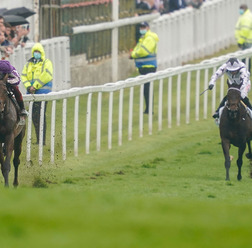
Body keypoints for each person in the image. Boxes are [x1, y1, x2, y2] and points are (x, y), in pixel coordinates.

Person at [21, 43, 53, 145]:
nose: (37, 53)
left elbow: (47, 75)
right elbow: (24, 76)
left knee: (40, 115)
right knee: (34, 116)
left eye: (38, 52)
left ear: (42, 52)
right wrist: (28, 87)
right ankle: (39, 140)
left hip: (43, 93)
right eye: (35, 51)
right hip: (31, 93)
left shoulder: (46, 62)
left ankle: (42, 140)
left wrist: (35, 86)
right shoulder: (28, 64)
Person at [130, 21, 159, 114]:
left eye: (144, 27)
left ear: (148, 28)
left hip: (148, 66)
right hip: (144, 66)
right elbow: (137, 49)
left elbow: (143, 51)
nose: (142, 29)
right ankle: (148, 109)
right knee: (146, 88)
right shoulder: (143, 38)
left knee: (147, 88)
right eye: (141, 27)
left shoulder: (149, 38)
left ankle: (149, 109)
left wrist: (133, 55)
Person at [235, 4, 252, 72]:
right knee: (247, 59)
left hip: (246, 41)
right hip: (247, 41)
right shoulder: (246, 16)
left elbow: (245, 30)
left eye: (241, 9)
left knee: (245, 59)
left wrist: (240, 41)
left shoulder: (246, 18)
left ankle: (245, 73)